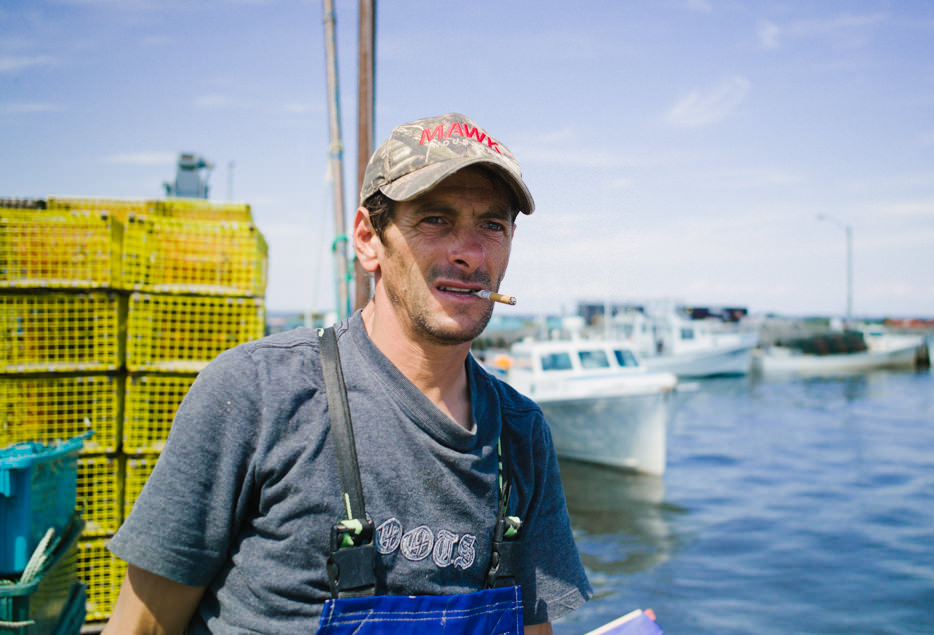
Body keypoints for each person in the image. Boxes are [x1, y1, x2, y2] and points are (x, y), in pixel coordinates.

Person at [104, 112, 591, 634]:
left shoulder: (521, 434)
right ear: (367, 239)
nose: (469, 253)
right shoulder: (256, 393)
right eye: (435, 220)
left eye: (491, 226)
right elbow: (142, 626)